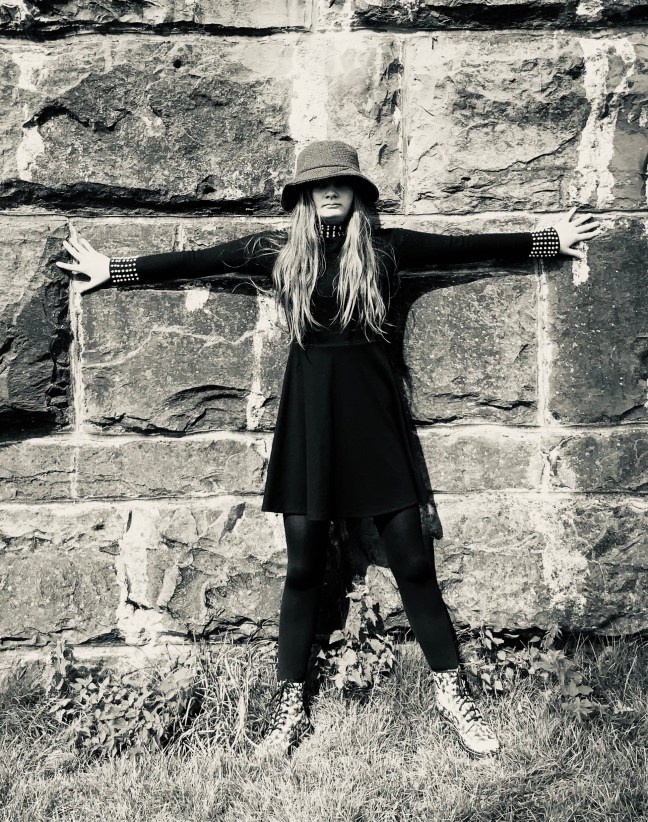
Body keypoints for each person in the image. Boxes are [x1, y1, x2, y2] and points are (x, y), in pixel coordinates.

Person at [57, 140, 600, 760]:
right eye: (319, 184)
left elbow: (469, 248)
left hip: (375, 426)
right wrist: (114, 269)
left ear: (358, 192)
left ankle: (454, 697)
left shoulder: (388, 250)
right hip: (309, 425)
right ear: (305, 196)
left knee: (414, 565)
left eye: (341, 182)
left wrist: (549, 239)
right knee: (303, 570)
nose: (331, 191)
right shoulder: (277, 252)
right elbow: (196, 261)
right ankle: (288, 708)